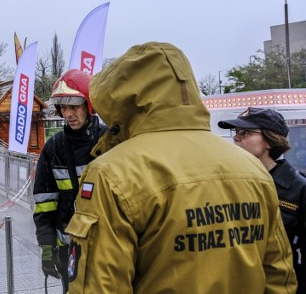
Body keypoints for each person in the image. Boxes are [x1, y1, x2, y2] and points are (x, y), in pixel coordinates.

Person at [65, 42, 297, 294]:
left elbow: (101, 287)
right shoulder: (253, 169)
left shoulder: (112, 173)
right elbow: (279, 276)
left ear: (120, 100)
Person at [32, 69, 107, 293]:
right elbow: (45, 202)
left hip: (106, 246)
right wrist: (47, 247)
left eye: (74, 106)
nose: (68, 114)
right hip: (68, 249)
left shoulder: (108, 142)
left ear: (89, 105)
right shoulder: (53, 148)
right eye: (63, 107)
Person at [219, 107, 306, 293]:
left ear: (269, 139)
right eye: (235, 132)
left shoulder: (299, 188)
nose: (236, 137)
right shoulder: (228, 182)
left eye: (245, 132)